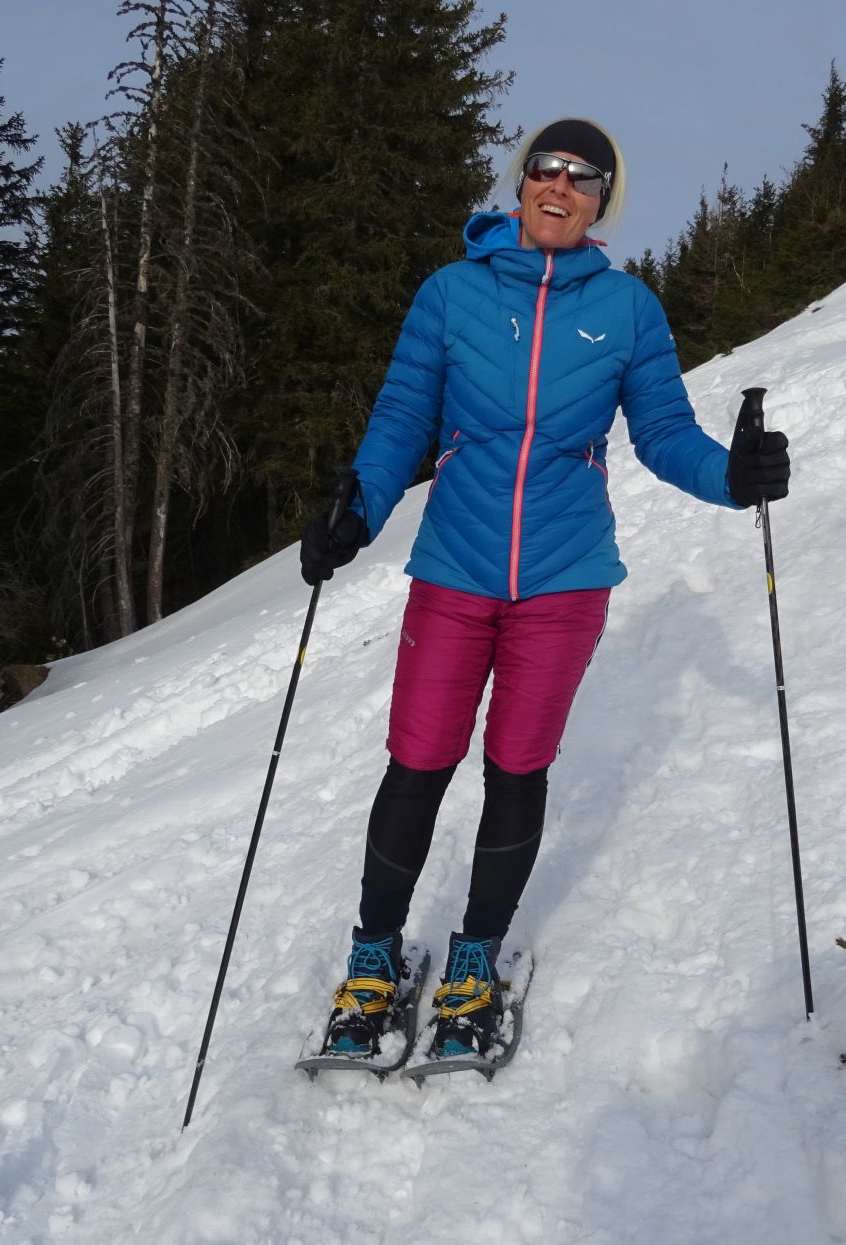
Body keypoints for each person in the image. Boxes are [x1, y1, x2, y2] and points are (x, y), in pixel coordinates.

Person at [298, 118, 790, 1064]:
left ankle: (474, 958)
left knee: (517, 767)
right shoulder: (451, 294)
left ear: (604, 201)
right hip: (453, 566)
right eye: (545, 171)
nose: (559, 187)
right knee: (419, 760)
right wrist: (356, 511)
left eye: (583, 178)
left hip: (564, 578)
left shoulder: (629, 310)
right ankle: (374, 956)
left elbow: (661, 432)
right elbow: (404, 412)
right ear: (520, 184)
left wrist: (733, 476)